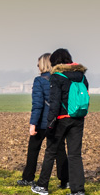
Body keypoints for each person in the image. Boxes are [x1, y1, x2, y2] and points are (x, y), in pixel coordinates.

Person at [33, 48, 88, 195]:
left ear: (56, 62)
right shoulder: (82, 76)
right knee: (75, 155)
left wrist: (50, 124)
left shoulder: (57, 77)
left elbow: (54, 103)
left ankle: (42, 186)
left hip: (61, 119)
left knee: (50, 152)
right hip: (78, 118)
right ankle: (78, 191)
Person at [18, 54, 68, 188]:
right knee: (60, 151)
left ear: (43, 64)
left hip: (42, 122)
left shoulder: (39, 81)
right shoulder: (60, 79)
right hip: (57, 121)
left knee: (33, 150)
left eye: (38, 63)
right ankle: (65, 181)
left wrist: (32, 124)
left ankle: (28, 178)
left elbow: (38, 105)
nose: (37, 66)